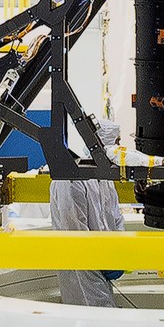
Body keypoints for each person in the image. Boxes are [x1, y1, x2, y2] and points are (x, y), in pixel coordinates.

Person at [49, 119, 125, 308]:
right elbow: (73, 229)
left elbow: (115, 217)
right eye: (117, 143)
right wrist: (100, 257)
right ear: (103, 145)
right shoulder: (71, 178)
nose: (120, 149)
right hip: (80, 262)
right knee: (90, 312)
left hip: (102, 260)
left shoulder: (105, 177)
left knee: (104, 311)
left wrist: (119, 253)